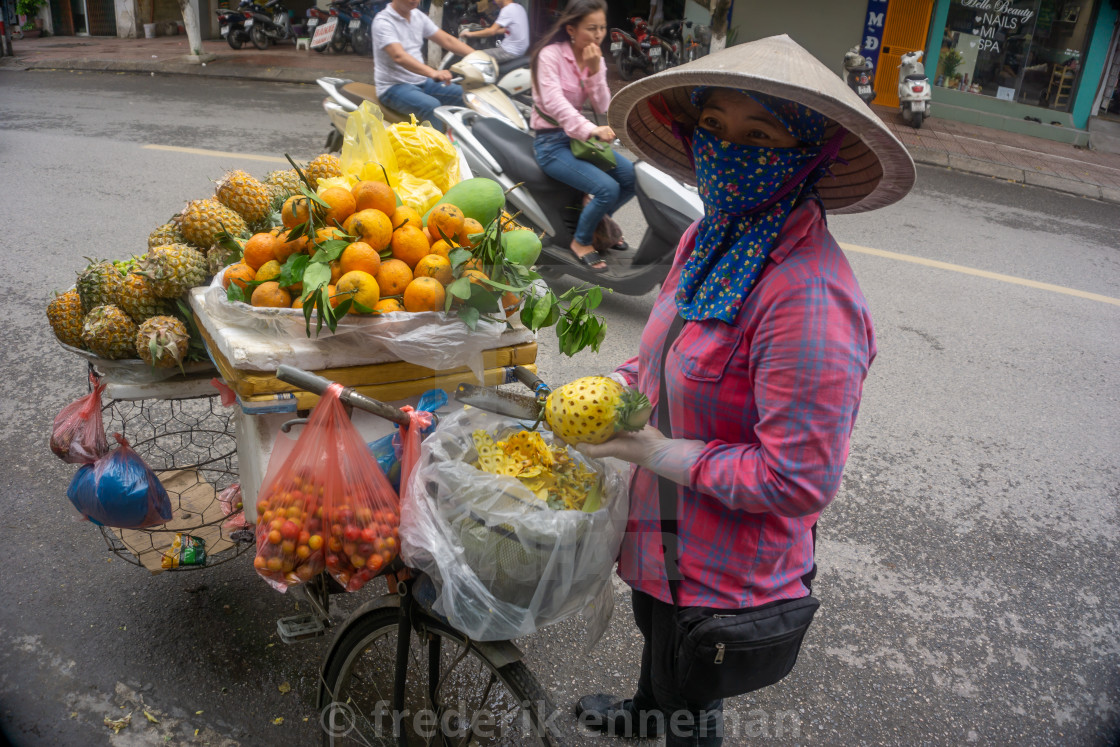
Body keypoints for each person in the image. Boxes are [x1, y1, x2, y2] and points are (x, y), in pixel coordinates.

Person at [570, 35, 916, 745]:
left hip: (719, 572)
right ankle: (643, 713)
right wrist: (608, 392)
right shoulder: (708, 237)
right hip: (659, 538)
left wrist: (661, 453)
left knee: (691, 698)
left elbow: (797, 480)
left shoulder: (809, 299)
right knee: (656, 643)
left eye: (761, 135)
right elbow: (658, 360)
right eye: (717, 128)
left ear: (809, 157)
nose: (731, 150)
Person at [529, 0, 635, 272]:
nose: (599, 34)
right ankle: (581, 241)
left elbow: (602, 105)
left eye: (602, 27)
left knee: (629, 178)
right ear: (571, 29)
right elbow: (554, 103)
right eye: (591, 28)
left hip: (577, 140)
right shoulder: (550, 56)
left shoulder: (593, 57)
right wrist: (591, 129)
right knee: (606, 189)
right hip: (551, 143)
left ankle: (598, 223)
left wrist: (596, 71)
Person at [372, 0, 476, 132]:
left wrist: (478, 56)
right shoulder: (383, 22)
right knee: (432, 107)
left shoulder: (417, 16)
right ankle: (437, 151)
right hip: (393, 87)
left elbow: (447, 40)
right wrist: (433, 73)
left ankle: (464, 143)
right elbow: (399, 56)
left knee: (465, 96)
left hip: (422, 81)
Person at [460, 0, 529, 63]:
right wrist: (487, 30)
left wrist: (470, 34)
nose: (494, 2)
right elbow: (506, 30)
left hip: (510, 51)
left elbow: (491, 32)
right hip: (520, 50)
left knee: (474, 57)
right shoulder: (519, 7)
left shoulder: (508, 9)